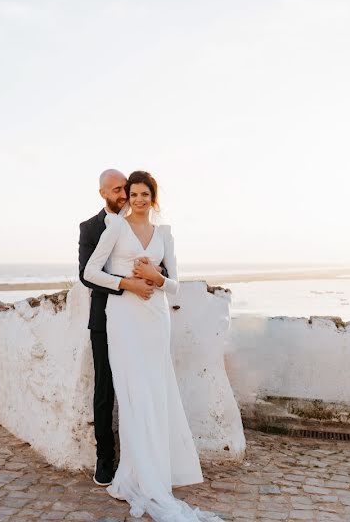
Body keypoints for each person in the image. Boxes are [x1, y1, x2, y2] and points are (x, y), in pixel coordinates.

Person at [83, 170, 221, 521]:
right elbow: (90, 272)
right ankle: (135, 472)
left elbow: (174, 284)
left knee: (156, 391)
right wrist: (129, 282)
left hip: (156, 319)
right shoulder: (115, 227)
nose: (140, 199)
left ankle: (157, 471)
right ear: (126, 196)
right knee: (134, 393)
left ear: (153, 197)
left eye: (146, 194)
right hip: (125, 318)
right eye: (134, 193)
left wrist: (156, 278)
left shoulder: (164, 234)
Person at [78, 169, 157, 486]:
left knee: (142, 385)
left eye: (126, 188)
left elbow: (156, 259)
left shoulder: (138, 222)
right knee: (105, 388)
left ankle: (142, 459)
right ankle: (104, 460)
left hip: (139, 317)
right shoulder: (90, 227)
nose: (124, 195)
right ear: (102, 193)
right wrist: (126, 285)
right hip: (104, 317)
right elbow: (86, 274)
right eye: (117, 190)